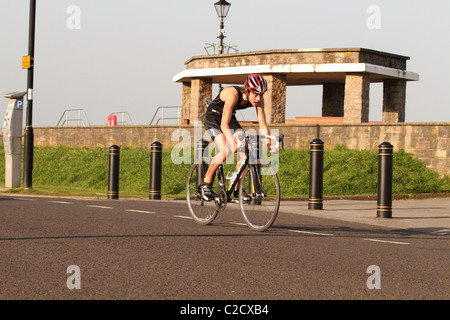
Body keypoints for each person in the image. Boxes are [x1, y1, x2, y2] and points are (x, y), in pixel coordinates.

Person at [201, 73, 279, 201]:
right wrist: (232, 142)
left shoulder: (258, 100)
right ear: (247, 91)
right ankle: (206, 183)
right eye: (255, 94)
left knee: (244, 149)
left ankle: (238, 189)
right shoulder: (233, 94)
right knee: (226, 149)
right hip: (214, 118)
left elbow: (263, 124)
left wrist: (269, 144)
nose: (258, 98)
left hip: (229, 118)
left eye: (261, 95)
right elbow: (223, 124)